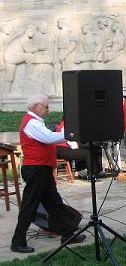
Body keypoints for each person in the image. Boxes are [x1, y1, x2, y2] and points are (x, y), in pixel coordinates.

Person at [11, 94, 86, 253]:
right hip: (36, 169)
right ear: (36, 106)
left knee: (54, 203)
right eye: (45, 106)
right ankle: (18, 241)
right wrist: (69, 134)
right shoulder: (31, 122)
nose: (48, 109)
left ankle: (67, 233)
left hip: (42, 169)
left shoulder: (36, 121)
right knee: (30, 205)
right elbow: (48, 138)